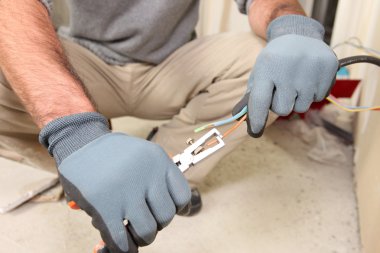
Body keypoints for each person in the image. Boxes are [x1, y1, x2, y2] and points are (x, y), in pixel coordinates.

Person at [0, 0, 338, 252]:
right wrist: (75, 134)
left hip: (172, 66)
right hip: (84, 65)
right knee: (13, 59)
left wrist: (292, 27)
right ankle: (79, 167)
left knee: (261, 57)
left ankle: (172, 167)